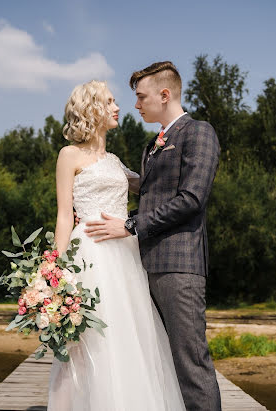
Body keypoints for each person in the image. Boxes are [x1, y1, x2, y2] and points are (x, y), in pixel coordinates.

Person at [84, 62, 222, 411]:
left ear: (165, 94)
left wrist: (129, 226)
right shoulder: (151, 146)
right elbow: (150, 200)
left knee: (190, 363)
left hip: (179, 267)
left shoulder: (198, 132)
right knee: (158, 362)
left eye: (141, 96)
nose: (136, 104)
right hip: (141, 268)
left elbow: (191, 199)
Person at [48, 80, 185, 411]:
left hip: (126, 257)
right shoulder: (69, 155)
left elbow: (156, 187)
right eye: (109, 101)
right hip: (90, 256)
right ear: (92, 108)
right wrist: (54, 267)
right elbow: (65, 216)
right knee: (87, 341)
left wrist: (173, 151)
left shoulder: (115, 161)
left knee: (129, 337)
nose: (117, 107)